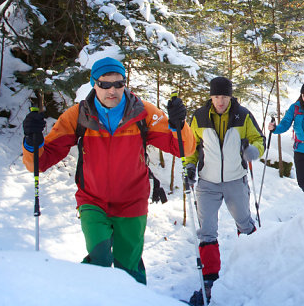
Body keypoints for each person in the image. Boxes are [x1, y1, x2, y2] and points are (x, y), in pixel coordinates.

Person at [21, 57, 194, 284]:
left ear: (125, 83)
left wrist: (178, 124)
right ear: (94, 84)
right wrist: (31, 140)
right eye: (105, 84)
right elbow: (39, 163)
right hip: (93, 200)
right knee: (99, 260)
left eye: (118, 84)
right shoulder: (77, 116)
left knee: (128, 269)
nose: (112, 90)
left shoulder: (143, 113)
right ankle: (81, 304)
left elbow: (183, 148)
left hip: (132, 202)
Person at [182, 77, 264, 306]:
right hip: (207, 183)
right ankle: (209, 279)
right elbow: (191, 146)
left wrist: (253, 151)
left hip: (235, 180)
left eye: (224, 96)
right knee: (207, 230)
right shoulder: (198, 117)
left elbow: (260, 139)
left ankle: (253, 268)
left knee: (245, 224)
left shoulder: (243, 115)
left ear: (230, 97)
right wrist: (189, 166)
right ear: (211, 96)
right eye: (217, 96)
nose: (220, 101)